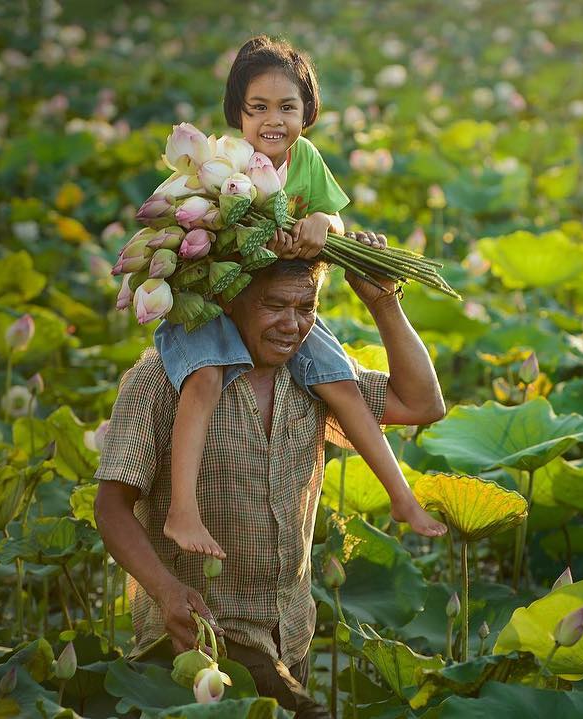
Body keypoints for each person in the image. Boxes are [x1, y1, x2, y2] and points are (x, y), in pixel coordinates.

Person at [94, 253, 447, 715]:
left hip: (292, 634)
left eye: (307, 308)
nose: (292, 325)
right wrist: (165, 591)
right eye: (275, 305)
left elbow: (422, 404)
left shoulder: (315, 375)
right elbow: (111, 508)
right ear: (230, 300)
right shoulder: (161, 379)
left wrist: (383, 303)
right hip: (197, 640)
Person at [157, 35, 446, 560]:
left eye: (287, 108)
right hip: (220, 304)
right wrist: (253, 236)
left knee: (341, 383)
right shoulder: (222, 163)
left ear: (307, 113)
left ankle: (400, 496)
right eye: (259, 108)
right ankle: (183, 509)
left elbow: (333, 217)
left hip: (285, 309)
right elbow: (197, 231)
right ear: (238, 115)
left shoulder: (306, 159)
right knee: (203, 379)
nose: (274, 120)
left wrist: (319, 223)